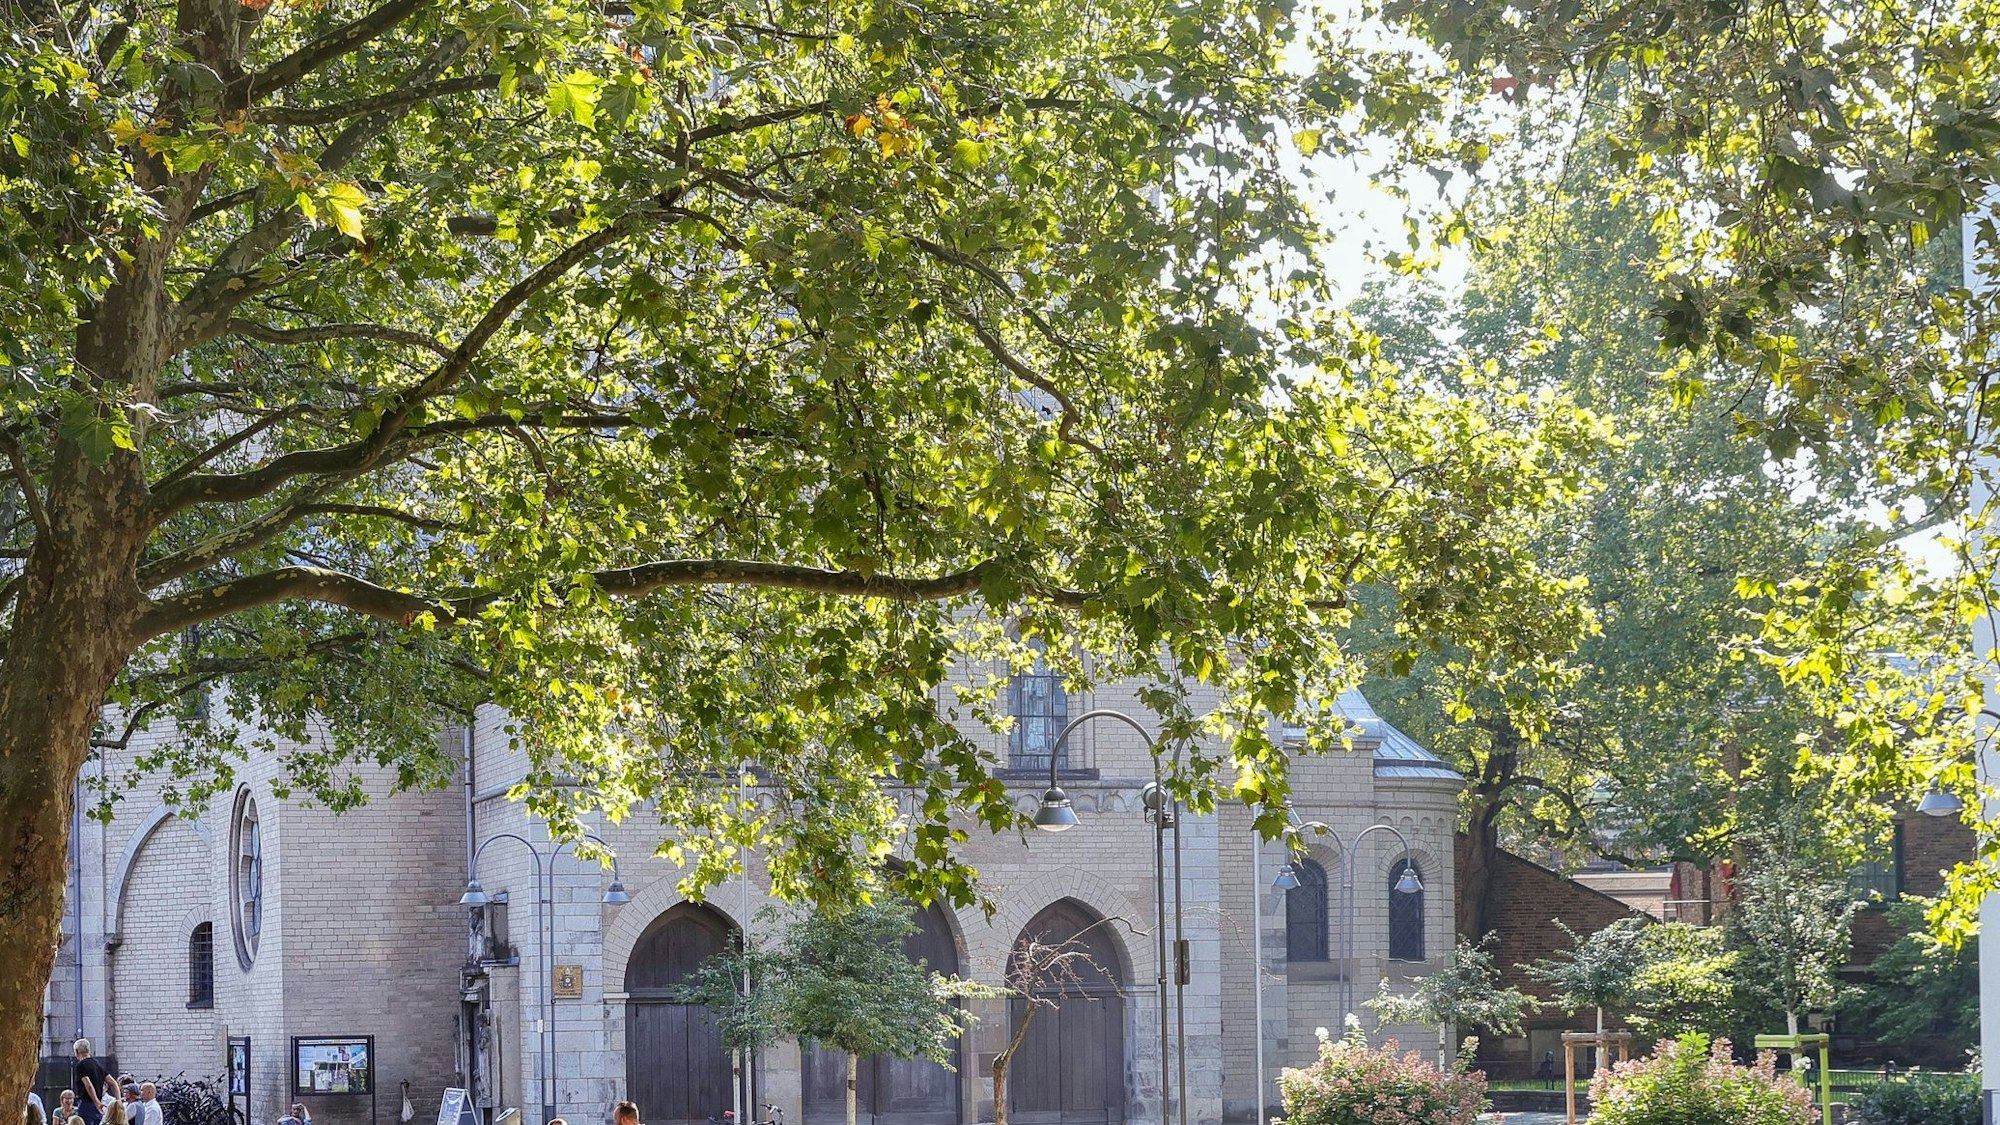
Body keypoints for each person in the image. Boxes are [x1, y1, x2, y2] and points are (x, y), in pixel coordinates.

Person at [71, 1041, 108, 1125]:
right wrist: (118, 1099)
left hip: (86, 1104)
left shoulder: (80, 1066)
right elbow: (113, 1082)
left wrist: (96, 1102)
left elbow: (88, 1085)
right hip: (98, 1104)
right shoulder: (98, 1064)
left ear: (77, 1051)